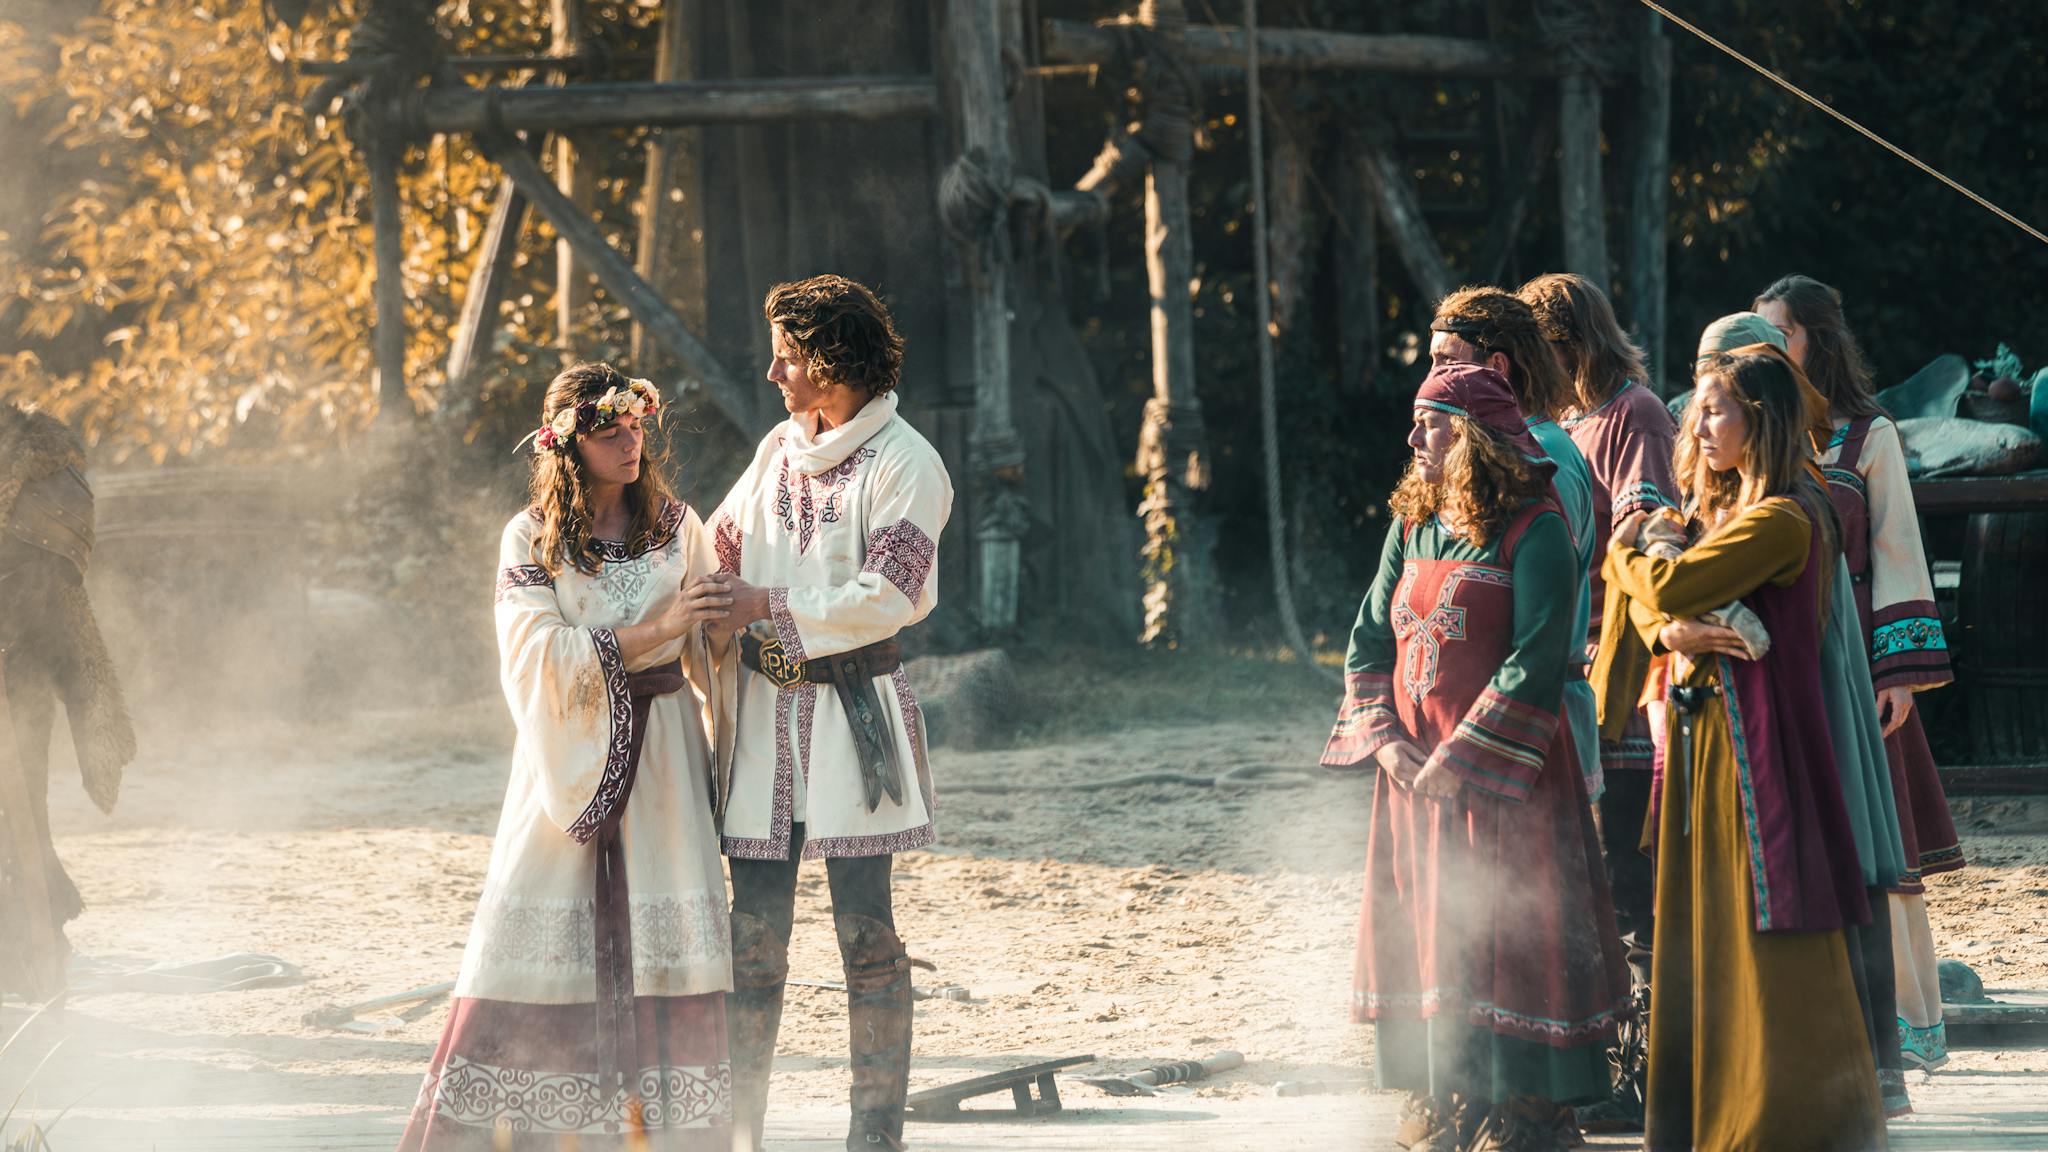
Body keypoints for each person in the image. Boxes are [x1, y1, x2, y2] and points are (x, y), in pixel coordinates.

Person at [399, 363, 737, 1150]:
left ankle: (663, 1133)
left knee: (668, 917)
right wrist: (659, 629)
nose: (630, 439)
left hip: (665, 761)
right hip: (568, 757)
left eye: (636, 423)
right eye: (609, 428)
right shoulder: (531, 538)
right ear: (568, 444)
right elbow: (533, 654)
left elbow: (714, 640)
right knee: (538, 908)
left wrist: (723, 625)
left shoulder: (679, 527)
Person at [1323, 362, 1628, 1152]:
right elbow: (1367, 641)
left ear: (1474, 439)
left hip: (1507, 778)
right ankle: (1445, 1097)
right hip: (1413, 780)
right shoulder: (1411, 525)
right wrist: (1387, 745)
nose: (1413, 437)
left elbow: (1539, 654)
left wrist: (1460, 756)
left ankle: (1530, 1108)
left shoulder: (1537, 528)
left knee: (1513, 933)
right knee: (1431, 931)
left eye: (1430, 423)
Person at [1602, 350, 1883, 1150]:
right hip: (1699, 746)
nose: (1700, 426)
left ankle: (1786, 1117)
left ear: (1761, 419)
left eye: (1717, 410)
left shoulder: (1785, 518)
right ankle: (1707, 1114)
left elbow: (1675, 583)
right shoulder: (1716, 514)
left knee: (1765, 923)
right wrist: (1670, 627)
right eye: (1699, 411)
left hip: (1759, 757)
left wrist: (1630, 555)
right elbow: (1673, 610)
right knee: (1701, 927)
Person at [708, 274, 952, 1152]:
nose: (773, 370)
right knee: (752, 939)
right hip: (765, 721)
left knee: (866, 933)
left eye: (788, 353)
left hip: (854, 718)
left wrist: (763, 605)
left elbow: (891, 591)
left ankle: (874, 1138)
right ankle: (738, 1134)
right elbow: (717, 547)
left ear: (831, 358)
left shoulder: (907, 462)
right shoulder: (778, 449)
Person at [1687, 314, 1915, 1115]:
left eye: (1724, 381)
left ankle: (1870, 1064)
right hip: (1762, 683)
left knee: (1843, 849)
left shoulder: (1805, 481)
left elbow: (1885, 553)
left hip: (1813, 680)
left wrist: (1899, 668)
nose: (1704, 403)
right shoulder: (1730, 481)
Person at [1755, 275, 1964, 1073]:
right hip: (1779, 665)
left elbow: (1897, 550)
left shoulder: (1865, 437)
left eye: (1785, 334)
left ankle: (1905, 1020)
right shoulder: (1750, 434)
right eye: (1761, 334)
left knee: (1883, 839)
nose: (1773, 349)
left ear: (1819, 340)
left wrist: (1899, 673)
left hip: (1856, 666)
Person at [1517, 272, 1678, 1126]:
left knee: (1632, 880)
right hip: (1570, 673)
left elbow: (1643, 537)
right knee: (1590, 888)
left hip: (1615, 673)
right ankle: (1602, 1070)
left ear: (1570, 345)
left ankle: (1647, 1079)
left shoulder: (1634, 414)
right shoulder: (1565, 424)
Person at [1427, 286, 1603, 803]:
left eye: (1445, 361)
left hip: (1532, 717)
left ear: (1498, 367)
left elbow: (1545, 609)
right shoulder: (1476, 455)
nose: (1432, 377)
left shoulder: (1545, 454)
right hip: (1479, 714)